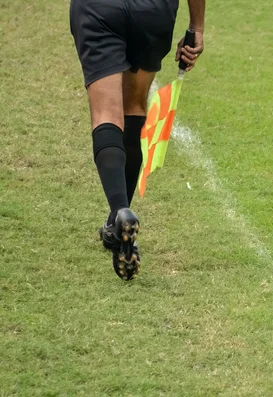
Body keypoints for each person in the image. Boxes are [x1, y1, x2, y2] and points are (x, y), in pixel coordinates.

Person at [69, 0, 206, 280]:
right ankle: (115, 224)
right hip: (153, 10)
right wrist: (196, 27)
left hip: (100, 9)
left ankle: (120, 212)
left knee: (107, 112)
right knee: (134, 107)